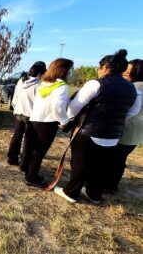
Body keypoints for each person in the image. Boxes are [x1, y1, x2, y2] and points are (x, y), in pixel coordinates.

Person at [55, 49, 141, 204]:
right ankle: (94, 194)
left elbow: (75, 106)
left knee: (79, 164)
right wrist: (117, 118)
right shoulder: (133, 88)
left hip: (88, 132)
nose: (98, 71)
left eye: (99, 68)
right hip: (113, 136)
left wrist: (68, 121)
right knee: (100, 167)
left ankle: (71, 192)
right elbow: (133, 111)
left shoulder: (96, 84)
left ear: (105, 68)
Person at [20, 58, 72, 188]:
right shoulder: (61, 86)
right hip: (47, 123)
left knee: (32, 148)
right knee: (39, 152)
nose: (71, 72)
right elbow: (58, 106)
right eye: (70, 69)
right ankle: (31, 177)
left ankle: (28, 170)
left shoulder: (44, 83)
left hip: (35, 119)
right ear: (63, 70)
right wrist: (64, 121)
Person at [104, 59, 143, 192]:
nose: (124, 73)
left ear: (137, 72)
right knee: (120, 159)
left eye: (128, 70)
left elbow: (129, 110)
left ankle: (108, 185)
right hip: (136, 130)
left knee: (115, 159)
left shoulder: (135, 87)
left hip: (127, 127)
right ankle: (111, 185)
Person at [7, 61, 46, 165]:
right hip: (30, 116)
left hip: (18, 113)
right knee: (29, 139)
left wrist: (16, 107)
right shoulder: (39, 86)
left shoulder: (21, 81)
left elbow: (15, 97)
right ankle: (24, 161)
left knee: (17, 135)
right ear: (39, 74)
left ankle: (11, 157)